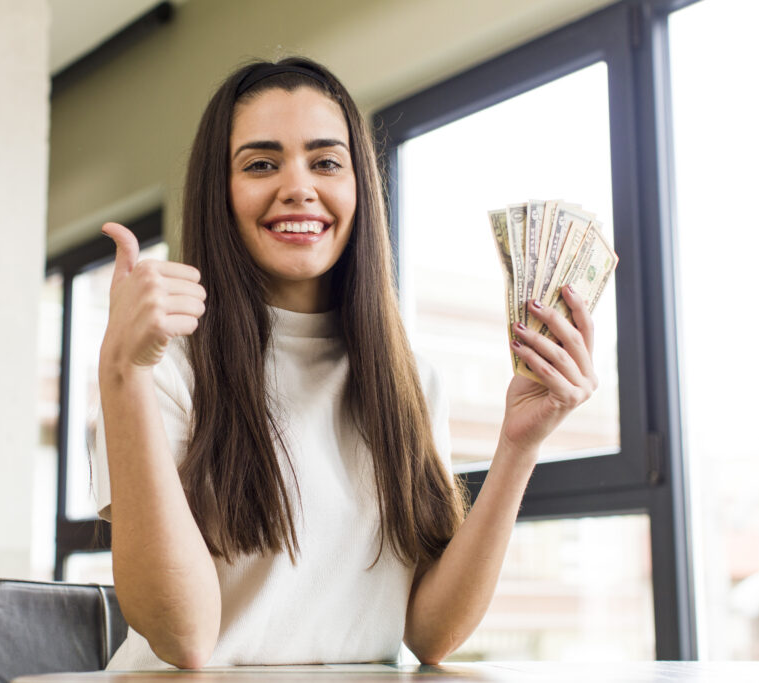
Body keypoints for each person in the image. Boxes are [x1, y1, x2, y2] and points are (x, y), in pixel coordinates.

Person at [92, 57, 598, 670]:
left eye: (327, 162)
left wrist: (519, 447)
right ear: (217, 194)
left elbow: (431, 634)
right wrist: (122, 371)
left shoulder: (411, 381)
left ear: (360, 188)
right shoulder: (160, 367)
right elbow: (185, 639)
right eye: (261, 164)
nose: (298, 187)